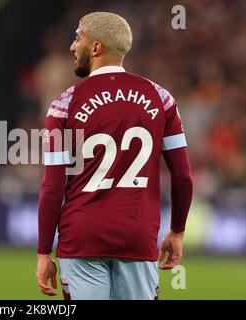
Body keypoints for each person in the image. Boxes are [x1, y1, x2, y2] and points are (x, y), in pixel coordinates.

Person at [36, 12, 193, 300]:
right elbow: (182, 176)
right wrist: (177, 231)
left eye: (77, 38)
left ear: (95, 48)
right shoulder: (162, 99)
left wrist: (44, 250)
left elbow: (53, 187)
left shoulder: (63, 105)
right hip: (137, 236)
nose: (72, 47)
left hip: (81, 237)